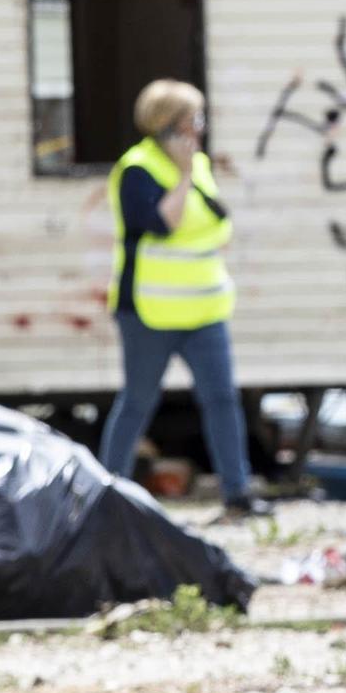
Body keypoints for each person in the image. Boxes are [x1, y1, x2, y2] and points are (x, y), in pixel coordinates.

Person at [96, 79, 261, 517]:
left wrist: (194, 171)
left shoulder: (202, 165)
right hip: (150, 312)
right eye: (194, 119)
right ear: (169, 125)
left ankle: (237, 494)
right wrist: (184, 174)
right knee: (138, 402)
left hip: (204, 309)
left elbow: (216, 223)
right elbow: (161, 224)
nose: (200, 128)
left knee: (222, 399)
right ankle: (107, 495)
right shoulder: (138, 169)